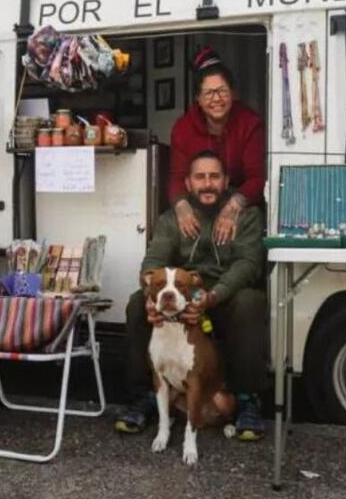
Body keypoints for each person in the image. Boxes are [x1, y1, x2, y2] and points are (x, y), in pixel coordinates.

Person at [115, 149, 268, 441]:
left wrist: (212, 297)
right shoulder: (172, 218)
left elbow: (248, 264)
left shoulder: (247, 216)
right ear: (187, 183)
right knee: (136, 303)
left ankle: (248, 400)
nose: (207, 183)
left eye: (214, 177)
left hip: (223, 294)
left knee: (250, 302)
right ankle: (143, 397)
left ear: (225, 182)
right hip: (182, 292)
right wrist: (151, 294)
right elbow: (153, 261)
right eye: (200, 177)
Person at [168, 47, 266, 245]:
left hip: (240, 202)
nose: (216, 99)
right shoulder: (183, 128)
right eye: (209, 93)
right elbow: (177, 178)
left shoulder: (250, 123)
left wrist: (233, 207)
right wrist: (181, 206)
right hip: (199, 203)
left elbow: (257, 178)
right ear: (198, 98)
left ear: (233, 92)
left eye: (222, 91)